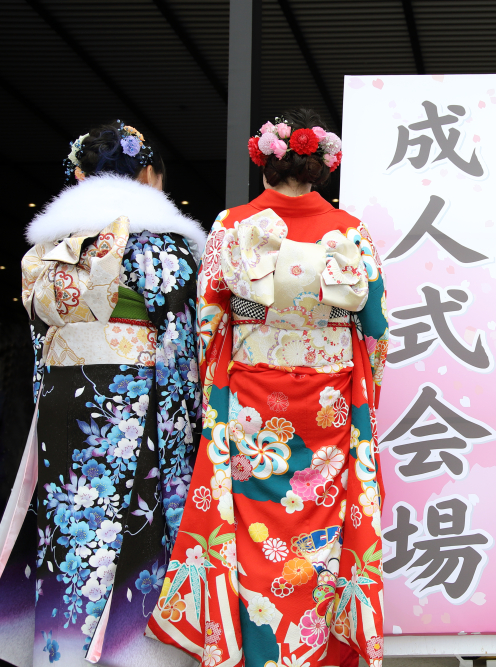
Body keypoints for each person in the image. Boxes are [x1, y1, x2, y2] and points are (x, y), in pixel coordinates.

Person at [146, 109, 388, 667]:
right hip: (329, 404)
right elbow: (374, 325)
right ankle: (317, 650)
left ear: (264, 162)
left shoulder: (233, 224)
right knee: (321, 524)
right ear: (322, 168)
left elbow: (209, 317)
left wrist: (214, 385)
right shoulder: (350, 230)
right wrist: (365, 391)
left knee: (252, 527)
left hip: (251, 400)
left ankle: (254, 650)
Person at [0, 122, 206, 667]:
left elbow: (42, 334)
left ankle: (59, 651)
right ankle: (133, 655)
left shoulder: (52, 245)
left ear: (79, 174)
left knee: (66, 526)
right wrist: (188, 411)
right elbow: (181, 336)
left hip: (64, 399)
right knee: (137, 521)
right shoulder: (158, 242)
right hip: (131, 400)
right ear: (146, 173)